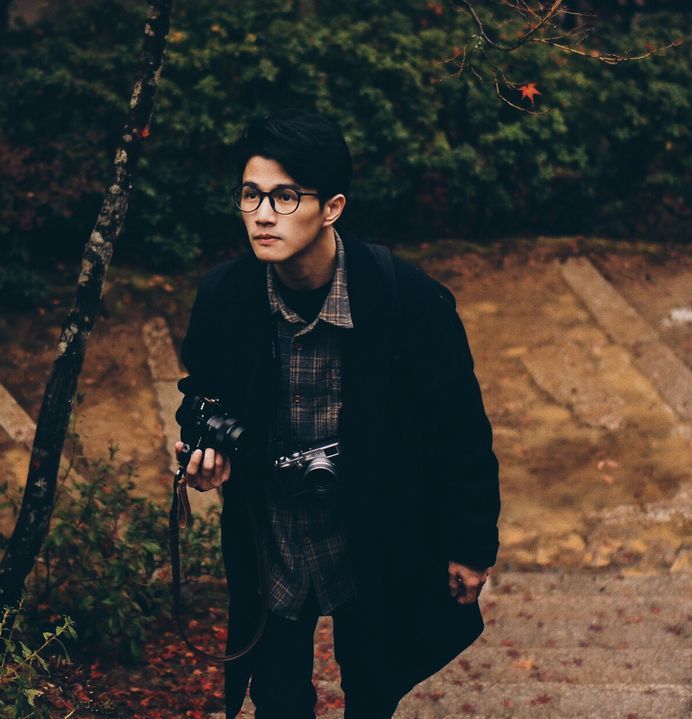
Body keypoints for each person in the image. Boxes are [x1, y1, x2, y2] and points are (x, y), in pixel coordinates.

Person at [174, 108, 500, 719]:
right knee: (276, 697)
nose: (263, 214)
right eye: (251, 195)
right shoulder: (226, 296)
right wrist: (205, 445)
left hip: (374, 528)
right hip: (271, 530)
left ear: (333, 208)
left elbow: (459, 428)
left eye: (285, 197)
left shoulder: (409, 300)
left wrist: (470, 543)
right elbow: (203, 392)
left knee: (373, 688)